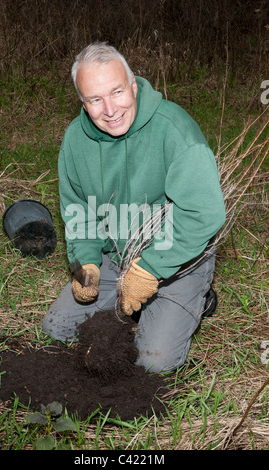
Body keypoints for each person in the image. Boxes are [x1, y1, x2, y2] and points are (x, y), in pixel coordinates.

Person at [42, 42, 226, 373]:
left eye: (116, 92)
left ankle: (196, 295)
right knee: (57, 330)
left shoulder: (175, 131)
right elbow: (78, 210)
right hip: (114, 256)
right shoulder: (75, 141)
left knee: (152, 363)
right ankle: (136, 302)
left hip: (176, 258)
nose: (109, 109)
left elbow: (203, 214)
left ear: (133, 84)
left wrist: (152, 267)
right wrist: (86, 264)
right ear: (83, 103)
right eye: (95, 99)